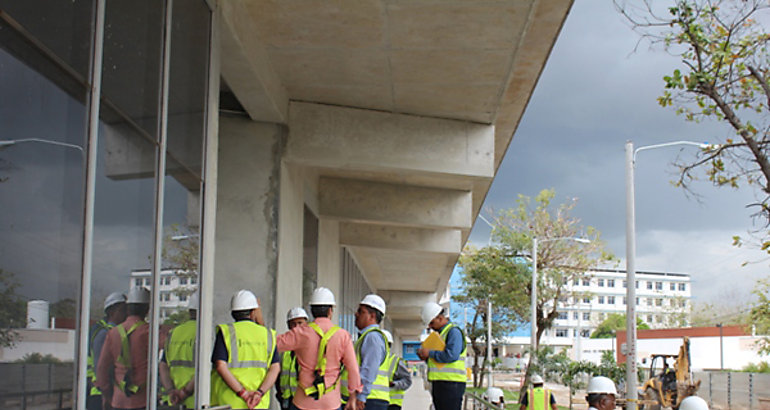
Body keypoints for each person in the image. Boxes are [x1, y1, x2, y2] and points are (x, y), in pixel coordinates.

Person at [277, 287, 361, 410]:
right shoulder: (342, 336)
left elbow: (272, 344)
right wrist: (353, 396)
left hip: (303, 401)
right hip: (331, 402)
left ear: (311, 311)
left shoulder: (301, 333)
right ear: (330, 311)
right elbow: (353, 369)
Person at [211, 290, 280, 409]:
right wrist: (259, 393)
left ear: (233, 313)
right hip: (258, 404)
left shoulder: (226, 332)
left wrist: (243, 393)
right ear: (253, 312)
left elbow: (220, 366)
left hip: (229, 402)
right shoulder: (267, 334)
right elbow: (275, 368)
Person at [95, 286, 151, 410]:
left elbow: (101, 369)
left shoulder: (113, 333)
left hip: (118, 400)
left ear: (128, 309)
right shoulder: (150, 332)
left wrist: (108, 396)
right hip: (142, 400)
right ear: (147, 309)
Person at [416, 302, 466, 410]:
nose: (430, 326)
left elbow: (452, 355)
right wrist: (426, 358)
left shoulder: (453, 332)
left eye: (432, 323)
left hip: (452, 384)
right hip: (440, 383)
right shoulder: (439, 335)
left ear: (440, 318)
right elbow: (438, 360)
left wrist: (429, 353)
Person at [87, 292, 127, 410]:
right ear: (111, 312)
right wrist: (107, 395)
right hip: (101, 393)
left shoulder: (109, 330)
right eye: (123, 310)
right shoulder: (104, 333)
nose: (126, 314)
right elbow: (101, 366)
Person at [160, 292, 199, 409]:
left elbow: (163, 365)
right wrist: (185, 392)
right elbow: (204, 368)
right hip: (198, 399)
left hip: (175, 401)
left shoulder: (174, 333)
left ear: (189, 311)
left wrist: (171, 391)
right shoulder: (206, 331)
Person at [351, 294, 390, 410]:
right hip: (371, 399)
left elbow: (369, 369)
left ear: (372, 316)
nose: (356, 314)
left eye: (361, 311)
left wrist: (361, 396)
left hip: (370, 400)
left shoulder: (372, 338)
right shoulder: (366, 337)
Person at [277, 307, 309, 410]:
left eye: (300, 323)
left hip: (304, 399)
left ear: (306, 324)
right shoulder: (283, 347)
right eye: (293, 324)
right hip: (287, 398)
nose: (296, 327)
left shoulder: (311, 346)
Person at [381, 330, 412, 410]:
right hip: (374, 401)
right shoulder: (369, 360)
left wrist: (394, 384)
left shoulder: (395, 361)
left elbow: (407, 381)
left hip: (392, 404)